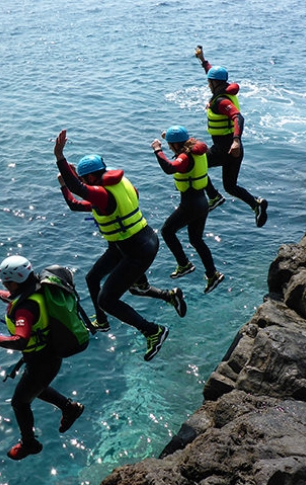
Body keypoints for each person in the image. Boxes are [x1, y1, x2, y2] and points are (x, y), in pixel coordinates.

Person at [54, 129, 184, 362]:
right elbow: (77, 203)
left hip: (136, 251)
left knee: (107, 300)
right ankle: (106, 320)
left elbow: (79, 191)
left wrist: (60, 158)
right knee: (93, 279)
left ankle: (153, 331)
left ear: (92, 178)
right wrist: (69, 180)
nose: (83, 182)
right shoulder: (119, 184)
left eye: (85, 179)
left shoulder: (103, 195)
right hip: (133, 242)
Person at [0, 255, 85, 461]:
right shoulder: (35, 288)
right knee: (35, 388)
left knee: (19, 402)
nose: (5, 287)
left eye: (5, 283)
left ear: (14, 281)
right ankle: (70, 408)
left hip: (42, 361)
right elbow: (12, 297)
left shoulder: (25, 310)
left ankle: (29, 443)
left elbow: (19, 341)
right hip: (46, 356)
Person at [195, 45, 269, 227]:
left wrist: (235, 140)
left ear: (215, 84)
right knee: (230, 186)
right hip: (234, 150)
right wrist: (203, 60)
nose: (207, 84)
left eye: (209, 82)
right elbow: (212, 73)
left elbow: (238, 116)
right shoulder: (224, 90)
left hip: (225, 148)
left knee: (196, 163)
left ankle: (213, 196)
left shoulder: (221, 101)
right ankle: (256, 204)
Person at [151, 125, 225, 293]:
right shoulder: (195, 149)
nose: (170, 147)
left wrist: (158, 151)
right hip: (202, 203)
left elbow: (169, 168)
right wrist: (167, 137)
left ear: (177, 145)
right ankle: (213, 274)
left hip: (190, 205)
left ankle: (184, 264)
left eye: (171, 145)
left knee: (167, 231)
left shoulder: (185, 157)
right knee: (196, 240)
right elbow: (184, 143)